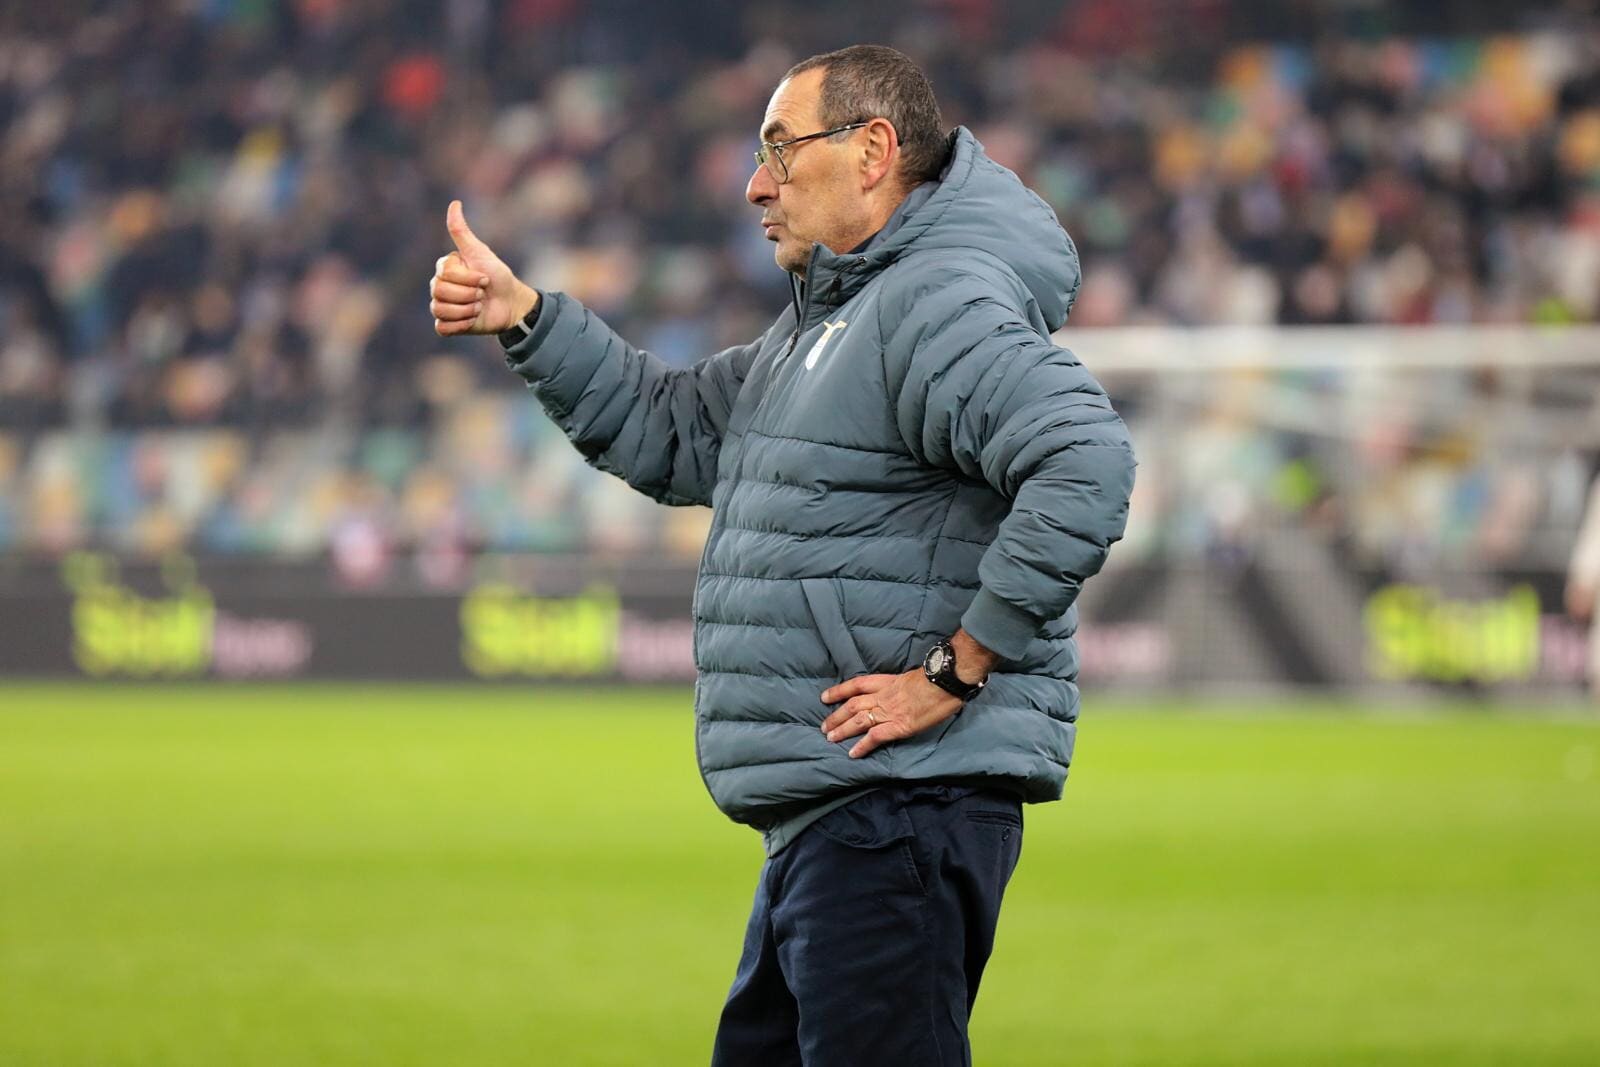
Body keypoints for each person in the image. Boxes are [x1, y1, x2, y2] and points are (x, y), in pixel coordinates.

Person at [430, 44, 1135, 1066]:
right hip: (841, 814)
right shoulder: (833, 319)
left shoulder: (934, 301)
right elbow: (672, 430)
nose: (756, 185)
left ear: (872, 151)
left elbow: (1086, 459)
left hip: (897, 808)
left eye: (779, 150)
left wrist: (955, 668)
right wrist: (529, 319)